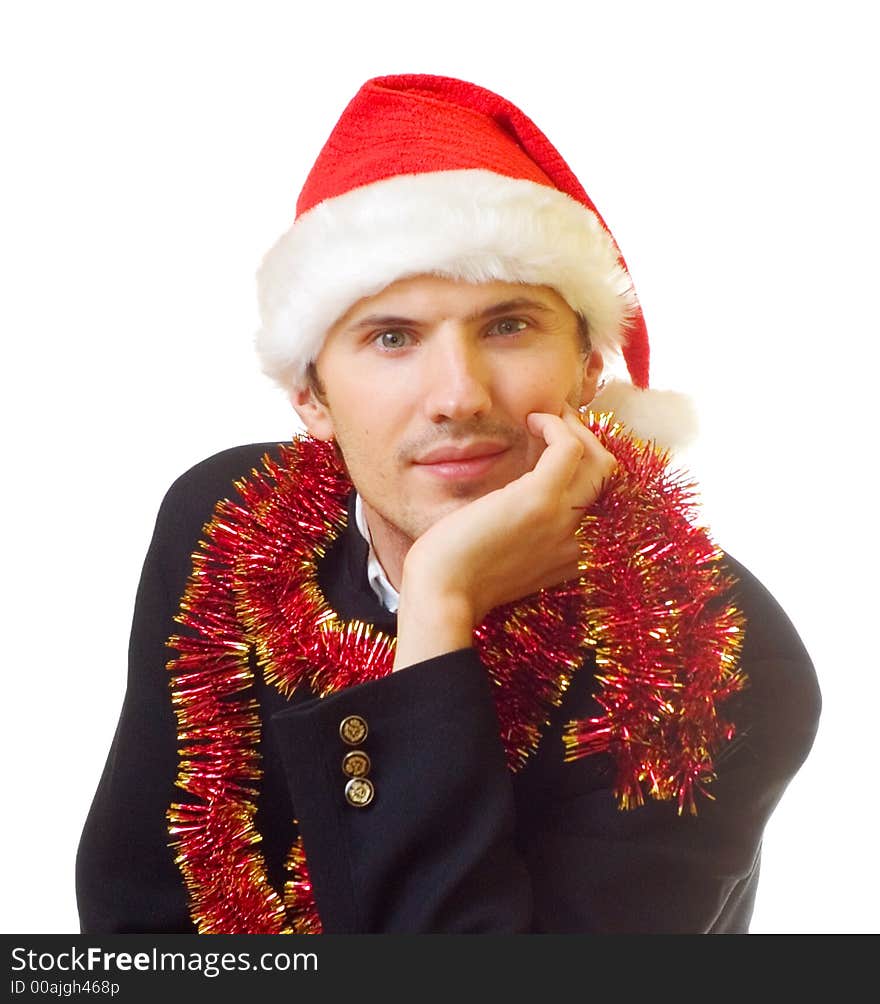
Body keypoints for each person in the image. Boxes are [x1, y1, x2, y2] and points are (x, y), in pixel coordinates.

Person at [75, 73, 821, 934]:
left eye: (508, 325)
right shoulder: (223, 522)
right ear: (311, 397)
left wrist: (439, 608)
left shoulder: (710, 644)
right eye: (392, 338)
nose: (459, 396)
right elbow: (136, 917)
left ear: (587, 367)